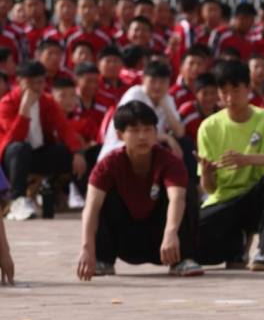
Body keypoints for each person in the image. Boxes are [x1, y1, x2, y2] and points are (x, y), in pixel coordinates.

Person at [195, 59, 264, 271]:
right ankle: (236, 245)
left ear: (249, 88)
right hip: (225, 201)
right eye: (223, 92)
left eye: (235, 90)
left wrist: (247, 159)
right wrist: (206, 174)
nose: (229, 98)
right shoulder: (208, 127)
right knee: (190, 241)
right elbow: (210, 189)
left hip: (257, 199)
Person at [76, 101, 201, 279]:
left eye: (148, 130)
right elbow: (91, 208)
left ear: (156, 133)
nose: (142, 136)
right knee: (100, 195)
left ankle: (183, 259)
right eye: (134, 130)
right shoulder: (108, 164)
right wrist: (87, 249)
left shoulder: (170, 161)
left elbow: (177, 199)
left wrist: (171, 233)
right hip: (126, 241)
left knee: (187, 189)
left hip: (165, 242)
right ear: (120, 135)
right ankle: (103, 260)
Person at [0, 61, 87, 220]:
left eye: (40, 82)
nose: (36, 87)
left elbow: (64, 128)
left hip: (38, 153)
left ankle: (88, 198)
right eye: (30, 82)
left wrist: (77, 153)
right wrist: (24, 109)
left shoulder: (47, 101)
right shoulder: (7, 103)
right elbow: (14, 138)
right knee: (20, 148)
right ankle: (17, 200)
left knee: (67, 152)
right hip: (11, 158)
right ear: (19, 81)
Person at [98, 62, 185, 162]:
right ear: (143, 79)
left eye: (162, 82)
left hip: (149, 147)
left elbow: (179, 132)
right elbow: (134, 132)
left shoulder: (166, 98)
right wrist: (167, 138)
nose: (157, 86)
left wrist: (164, 105)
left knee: (184, 144)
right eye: (153, 81)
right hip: (121, 147)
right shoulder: (135, 94)